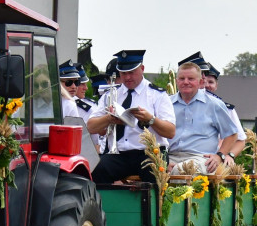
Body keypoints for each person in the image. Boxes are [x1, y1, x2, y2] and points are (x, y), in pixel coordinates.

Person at [87, 50, 176, 184]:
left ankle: (152, 205)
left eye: (131, 72)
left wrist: (150, 119)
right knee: (97, 170)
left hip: (151, 153)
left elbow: (170, 132)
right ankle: (105, 205)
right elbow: (90, 126)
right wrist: (109, 119)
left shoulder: (157, 95)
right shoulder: (110, 94)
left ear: (142, 69)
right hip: (120, 154)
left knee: (154, 173)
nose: (127, 77)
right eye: (123, 73)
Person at [167, 61, 241, 174]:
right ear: (176, 81)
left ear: (200, 82)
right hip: (170, 156)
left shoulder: (214, 104)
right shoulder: (167, 104)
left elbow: (232, 134)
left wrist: (219, 156)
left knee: (180, 171)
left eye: (191, 79)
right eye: (182, 79)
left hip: (201, 159)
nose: (185, 82)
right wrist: (164, 162)